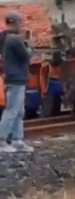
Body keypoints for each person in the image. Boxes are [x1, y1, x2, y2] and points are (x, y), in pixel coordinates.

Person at [0, 12, 33, 153]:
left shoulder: (5, 38)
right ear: (15, 22)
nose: (22, 25)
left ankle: (16, 139)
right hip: (16, 78)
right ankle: (2, 141)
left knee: (19, 111)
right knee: (12, 110)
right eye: (21, 22)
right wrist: (29, 45)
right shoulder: (15, 39)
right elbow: (27, 56)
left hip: (13, 77)